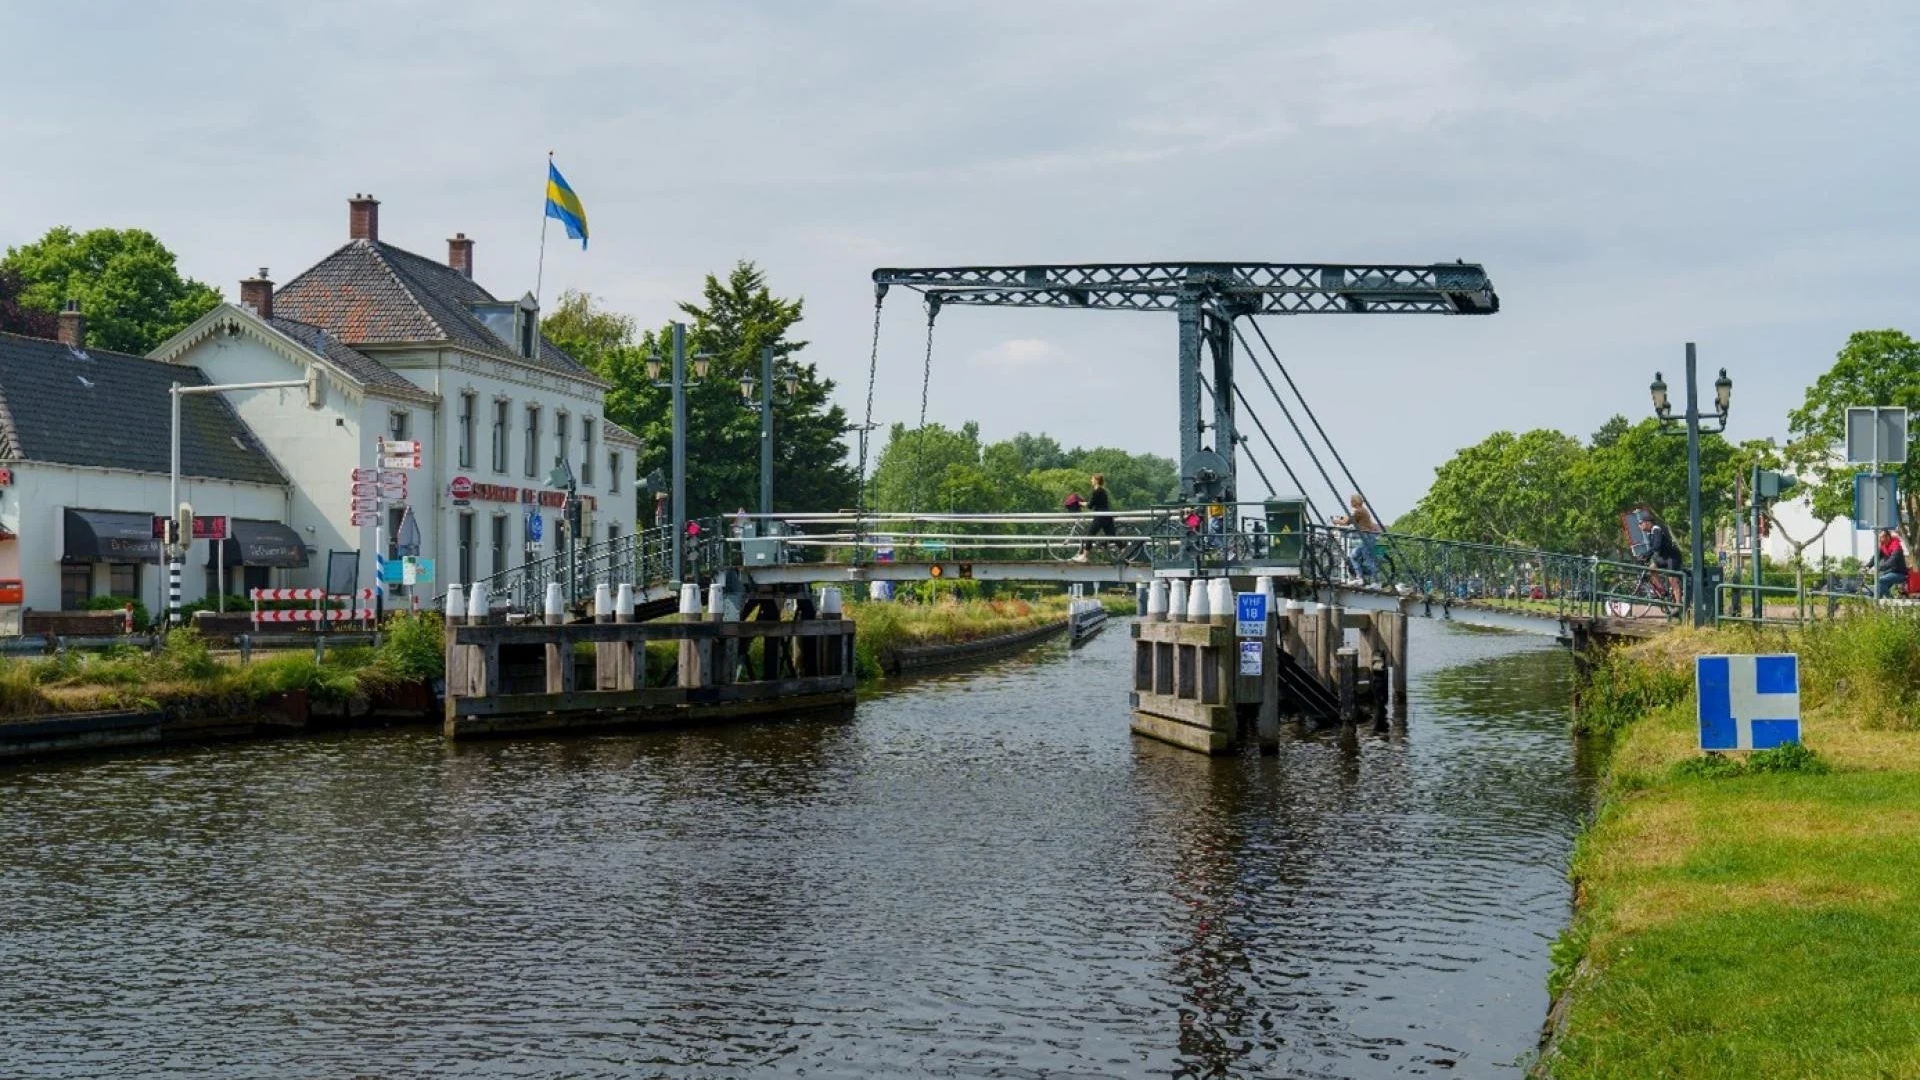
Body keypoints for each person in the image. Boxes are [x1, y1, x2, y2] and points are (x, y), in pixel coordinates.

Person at [1331, 494, 1381, 582]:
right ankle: (1360, 578)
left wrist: (1335, 521)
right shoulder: (1362, 510)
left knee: (1368, 559)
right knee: (1354, 556)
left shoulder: (1358, 511)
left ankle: (1377, 582)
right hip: (1366, 537)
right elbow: (1349, 518)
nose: (1350, 503)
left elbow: (1346, 522)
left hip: (1367, 537)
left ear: (1354, 502)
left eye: (1351, 501)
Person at [1073, 475, 1116, 562]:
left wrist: (1080, 503)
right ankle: (1124, 551)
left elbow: (1090, 505)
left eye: (1092, 479)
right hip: (1107, 515)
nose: (1091, 480)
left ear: (1096, 481)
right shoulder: (1103, 491)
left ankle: (1084, 556)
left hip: (1100, 516)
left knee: (1090, 534)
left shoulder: (1096, 491)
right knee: (1111, 536)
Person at [1873, 529, 1908, 598]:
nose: (1880, 539)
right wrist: (1867, 566)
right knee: (1878, 590)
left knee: (1880, 581)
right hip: (1890, 573)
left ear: (1888, 537)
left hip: (1899, 573)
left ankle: (1890, 601)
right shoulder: (1884, 546)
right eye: (1880, 537)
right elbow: (1876, 557)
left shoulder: (1896, 546)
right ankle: (1877, 607)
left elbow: (1892, 561)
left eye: (1882, 537)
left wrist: (1879, 568)